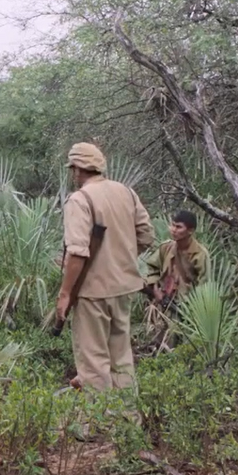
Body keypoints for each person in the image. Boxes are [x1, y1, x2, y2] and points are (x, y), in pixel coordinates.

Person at [54, 143, 155, 392]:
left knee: (93, 364)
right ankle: (128, 421)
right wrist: (121, 257)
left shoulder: (79, 199)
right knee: (121, 360)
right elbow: (146, 235)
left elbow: (77, 252)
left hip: (92, 293)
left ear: (77, 169)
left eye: (73, 169)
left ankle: (99, 427)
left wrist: (65, 293)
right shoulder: (126, 192)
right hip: (124, 288)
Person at [144, 210, 210, 314]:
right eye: (172, 225)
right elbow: (153, 268)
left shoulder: (200, 254)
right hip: (163, 304)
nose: (173, 230)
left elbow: (203, 285)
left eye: (179, 227)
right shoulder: (165, 248)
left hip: (187, 308)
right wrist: (155, 289)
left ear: (190, 231)